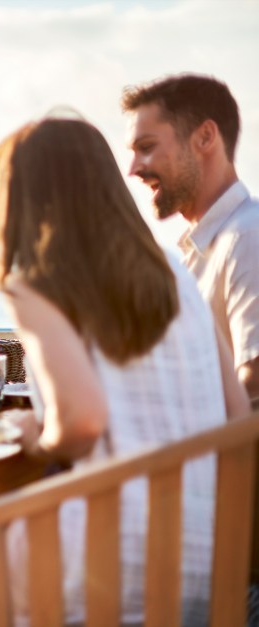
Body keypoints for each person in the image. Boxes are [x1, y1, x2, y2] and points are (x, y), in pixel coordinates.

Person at [0, 116, 250, 627]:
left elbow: (80, 422)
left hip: (105, 581)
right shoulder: (177, 272)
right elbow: (236, 416)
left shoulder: (37, 282)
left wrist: (36, 435)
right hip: (203, 578)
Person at [123, 74, 259, 405]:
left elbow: (254, 387)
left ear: (205, 137)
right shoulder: (202, 250)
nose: (133, 168)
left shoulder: (248, 235)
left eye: (147, 147)